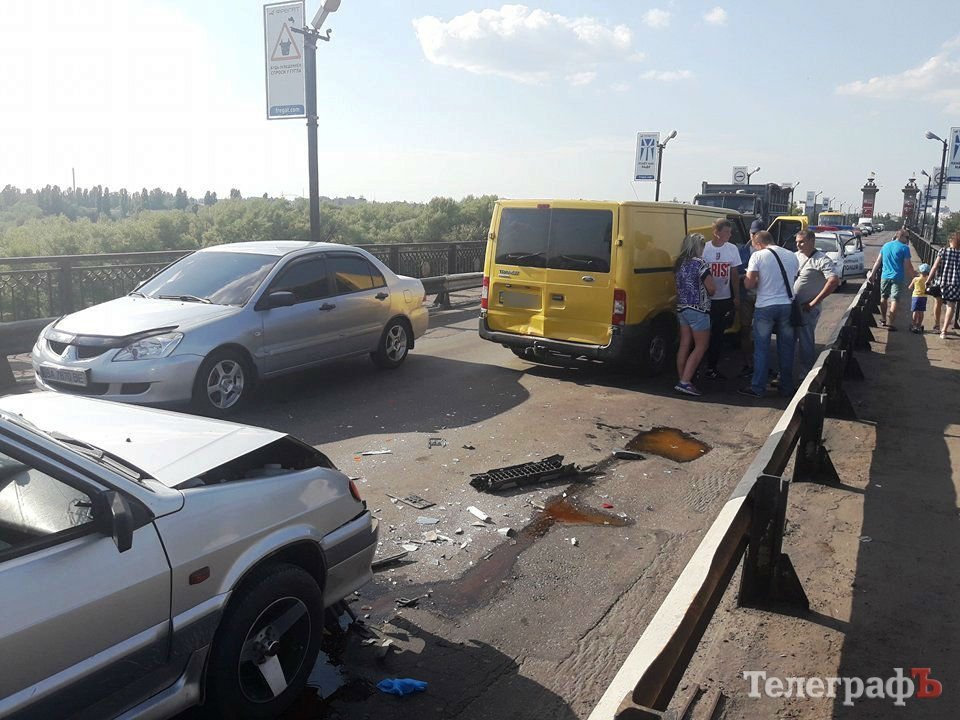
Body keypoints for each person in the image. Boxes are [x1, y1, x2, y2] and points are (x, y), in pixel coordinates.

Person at [739, 230, 800, 399]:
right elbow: (791, 278)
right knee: (786, 347)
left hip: (765, 306)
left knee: (761, 348)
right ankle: (786, 387)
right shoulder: (791, 255)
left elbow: (750, 284)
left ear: (758, 243)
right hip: (787, 305)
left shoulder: (758, 256)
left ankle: (758, 387)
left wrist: (745, 278)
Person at [793, 229, 840, 377]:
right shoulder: (795, 257)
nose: (798, 245)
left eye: (802, 242)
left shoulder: (822, 259)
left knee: (806, 340)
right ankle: (785, 372)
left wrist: (813, 303)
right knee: (788, 339)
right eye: (797, 242)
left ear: (812, 242)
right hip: (792, 306)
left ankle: (806, 374)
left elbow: (833, 281)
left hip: (807, 307)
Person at [674, 233, 716, 397]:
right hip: (698, 309)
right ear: (698, 246)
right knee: (700, 346)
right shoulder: (700, 264)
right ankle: (685, 381)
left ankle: (682, 377)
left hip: (682, 307)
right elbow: (711, 288)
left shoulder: (679, 263)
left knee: (684, 344)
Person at [699, 218, 741, 379]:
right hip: (705, 299)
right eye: (727, 232)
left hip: (723, 298)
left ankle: (711, 367)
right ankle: (697, 366)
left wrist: (736, 296)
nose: (730, 235)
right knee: (702, 333)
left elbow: (735, 275)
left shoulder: (732, 249)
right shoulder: (705, 249)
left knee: (718, 334)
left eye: (730, 232)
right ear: (716, 233)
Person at [869, 228, 915, 331]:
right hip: (897, 277)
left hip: (885, 276)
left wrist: (872, 274)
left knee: (883, 298)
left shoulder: (886, 245)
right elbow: (908, 266)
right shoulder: (904, 248)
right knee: (895, 300)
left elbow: (878, 261)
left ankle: (884, 319)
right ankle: (890, 324)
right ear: (901, 236)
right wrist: (915, 278)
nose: (908, 239)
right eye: (907, 237)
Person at [737, 219, 763, 378]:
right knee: (745, 330)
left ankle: (760, 364)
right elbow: (734, 273)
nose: (755, 237)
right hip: (746, 296)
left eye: (758, 234)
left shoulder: (770, 251)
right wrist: (746, 276)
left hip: (763, 298)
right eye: (753, 233)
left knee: (761, 332)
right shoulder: (742, 251)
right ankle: (749, 364)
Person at [924, 230, 960, 339]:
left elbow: (934, 267)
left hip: (941, 282)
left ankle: (937, 325)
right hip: (955, 283)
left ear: (951, 241)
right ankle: (944, 331)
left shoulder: (943, 251)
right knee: (951, 306)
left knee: (938, 303)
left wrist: (928, 280)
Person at [909, 263, 930, 333]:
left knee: (915, 311)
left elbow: (910, 287)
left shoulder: (915, 279)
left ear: (920, 271)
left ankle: (914, 325)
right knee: (921, 312)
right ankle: (919, 325)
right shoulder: (927, 280)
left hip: (916, 296)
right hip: (924, 297)